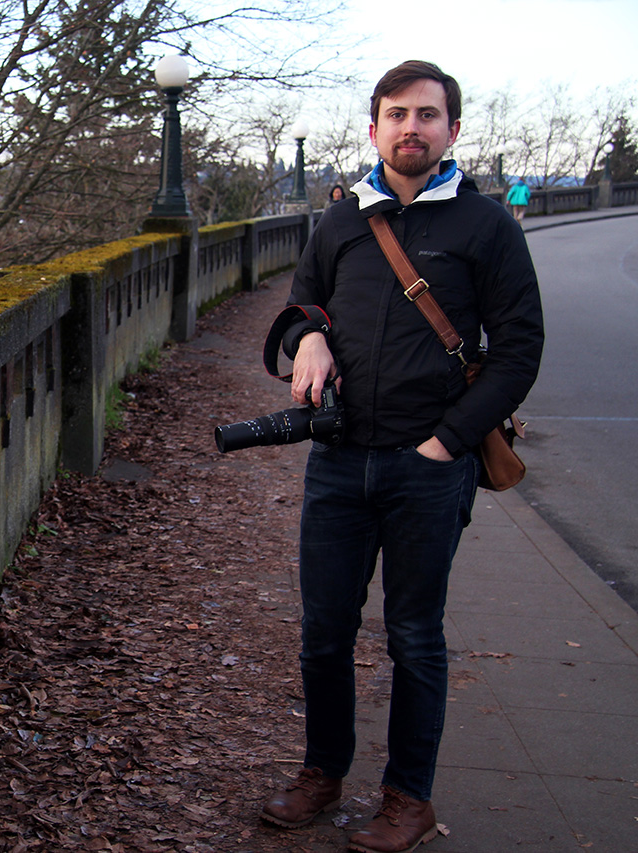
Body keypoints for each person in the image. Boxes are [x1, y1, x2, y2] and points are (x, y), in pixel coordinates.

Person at [257, 60, 543, 853]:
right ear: (375, 126)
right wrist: (309, 334)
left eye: (426, 114)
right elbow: (297, 304)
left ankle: (407, 797)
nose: (410, 127)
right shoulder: (344, 220)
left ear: (453, 129)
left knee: (414, 633)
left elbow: (519, 352)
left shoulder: (488, 228)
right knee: (323, 630)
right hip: (340, 460)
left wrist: (444, 443)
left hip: (429, 466)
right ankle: (322, 774)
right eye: (395, 114)